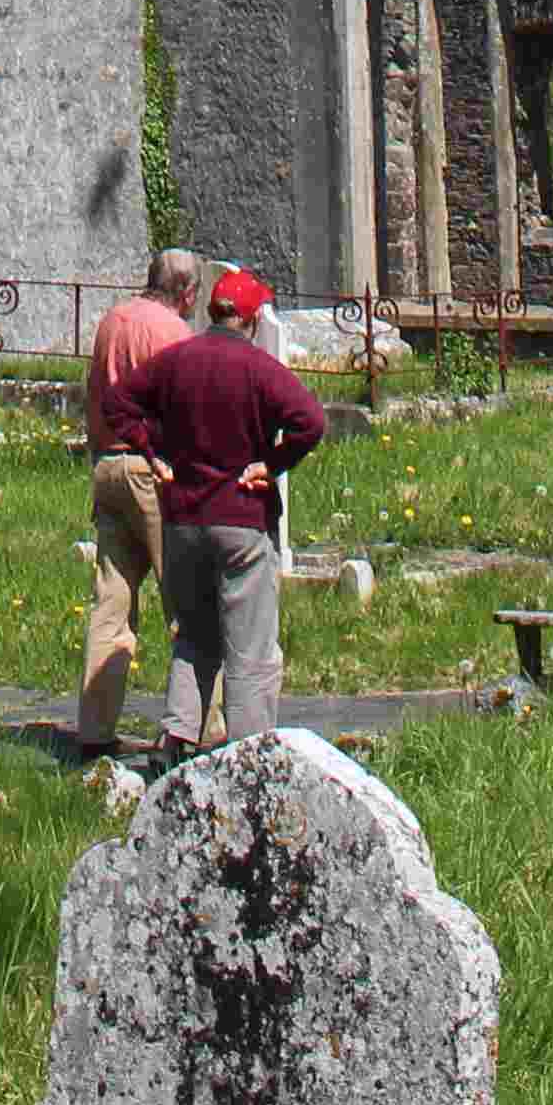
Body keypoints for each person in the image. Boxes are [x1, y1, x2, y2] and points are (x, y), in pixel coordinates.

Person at [142, 267, 327, 751]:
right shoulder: (258, 367)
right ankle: (249, 753)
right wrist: (274, 463)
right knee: (250, 649)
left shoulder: (176, 360)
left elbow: (123, 402)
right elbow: (310, 421)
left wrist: (153, 453)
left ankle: (176, 738)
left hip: (184, 518)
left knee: (193, 638)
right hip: (242, 518)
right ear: (251, 319)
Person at [74, 246, 201, 750]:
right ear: (186, 292)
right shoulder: (174, 333)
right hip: (153, 470)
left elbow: (94, 392)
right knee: (186, 601)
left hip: (107, 465)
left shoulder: (113, 320)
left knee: (111, 603)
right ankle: (198, 728)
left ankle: (95, 729)